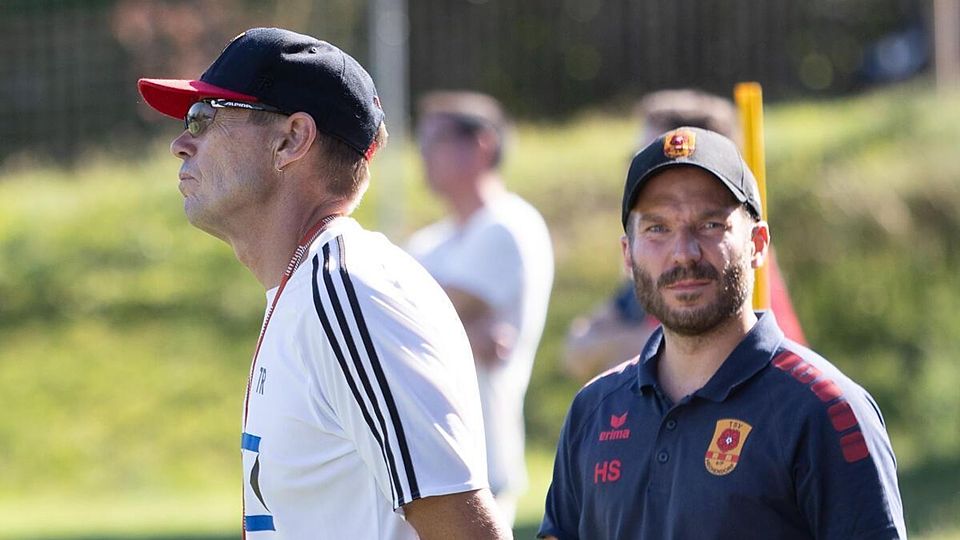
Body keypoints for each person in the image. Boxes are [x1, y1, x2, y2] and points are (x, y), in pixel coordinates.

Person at [137, 28, 511, 539]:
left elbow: (466, 531)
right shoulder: (309, 284)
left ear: (292, 139)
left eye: (205, 118)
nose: (181, 144)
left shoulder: (350, 289)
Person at [539, 127, 906, 539]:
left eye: (711, 224)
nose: (684, 252)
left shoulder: (824, 410)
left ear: (758, 243)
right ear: (628, 254)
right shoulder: (593, 410)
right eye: (657, 228)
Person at [562, 88, 807, 382]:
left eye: (652, 154)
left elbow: (704, 354)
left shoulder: (735, 262)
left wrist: (620, 345)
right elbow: (576, 349)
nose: (684, 253)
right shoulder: (653, 251)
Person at [406, 91, 554, 526]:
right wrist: (466, 334)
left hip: (479, 457)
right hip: (421, 457)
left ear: (482, 144)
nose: (424, 154)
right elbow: (385, 317)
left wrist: (432, 321)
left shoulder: (510, 225)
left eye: (436, 140)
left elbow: (414, 311)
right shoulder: (431, 241)